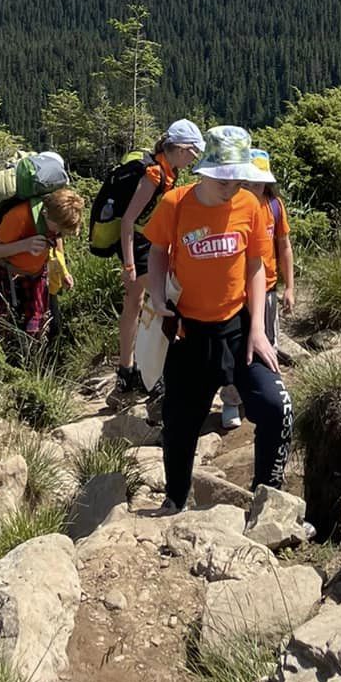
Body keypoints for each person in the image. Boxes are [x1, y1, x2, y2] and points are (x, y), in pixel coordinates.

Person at [143, 124, 293, 513]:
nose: (231, 184)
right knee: (179, 423)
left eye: (238, 175)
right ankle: (175, 500)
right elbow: (157, 251)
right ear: (206, 168)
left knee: (278, 409)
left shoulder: (251, 206)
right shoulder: (176, 203)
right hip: (188, 332)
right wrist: (157, 296)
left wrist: (259, 329)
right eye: (223, 175)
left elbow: (256, 265)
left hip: (238, 328)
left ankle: (266, 501)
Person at [116, 120, 205, 399]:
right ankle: (154, 377)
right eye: (193, 152)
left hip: (143, 243)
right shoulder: (155, 175)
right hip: (141, 246)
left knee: (133, 304)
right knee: (163, 302)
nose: (195, 158)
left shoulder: (166, 169)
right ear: (180, 149)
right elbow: (128, 221)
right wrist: (130, 264)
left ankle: (126, 373)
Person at [218, 146, 294, 432]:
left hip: (268, 288)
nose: (254, 187)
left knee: (266, 343)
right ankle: (231, 400)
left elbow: (284, 246)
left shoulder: (274, 206)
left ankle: (263, 396)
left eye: (259, 182)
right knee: (233, 349)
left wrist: (290, 286)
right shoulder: (231, 207)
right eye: (248, 181)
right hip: (235, 292)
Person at [0, 185, 85, 344]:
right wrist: (24, 245)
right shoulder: (19, 216)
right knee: (1, 329)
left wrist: (63, 271)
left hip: (35, 277)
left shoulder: (55, 224)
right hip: (5, 275)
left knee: (36, 329)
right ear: (47, 214)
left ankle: (34, 361)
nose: (59, 233)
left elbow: (57, 242)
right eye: (59, 228)